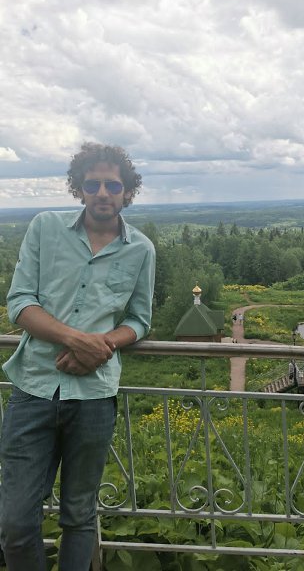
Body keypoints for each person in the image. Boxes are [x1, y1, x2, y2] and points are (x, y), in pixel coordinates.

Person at [0, 143, 156, 571]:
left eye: (113, 185)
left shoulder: (141, 249)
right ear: (79, 188)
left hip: (93, 396)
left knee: (79, 516)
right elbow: (20, 302)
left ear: (127, 191)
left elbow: (139, 321)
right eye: (93, 184)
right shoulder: (45, 228)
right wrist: (77, 340)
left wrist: (102, 346)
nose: (103, 192)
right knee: (15, 523)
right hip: (33, 388)